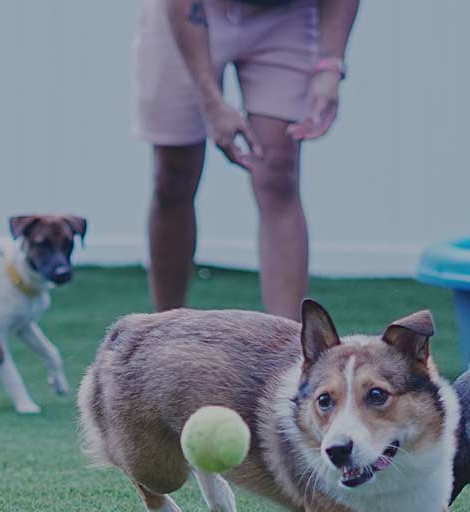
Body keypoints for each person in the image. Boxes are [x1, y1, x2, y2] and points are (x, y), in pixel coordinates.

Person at [133, 0, 360, 320]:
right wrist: (211, 101)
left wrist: (331, 66)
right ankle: (165, 330)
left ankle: (291, 348)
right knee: (174, 176)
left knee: (278, 173)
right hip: (189, 13)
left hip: (286, 16)